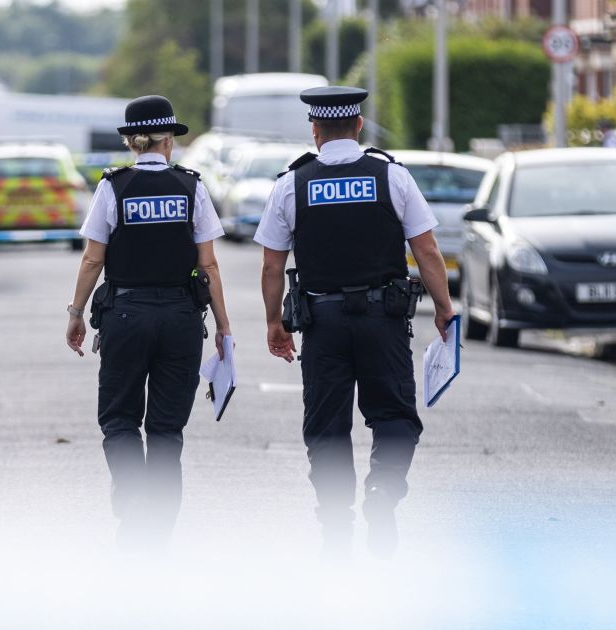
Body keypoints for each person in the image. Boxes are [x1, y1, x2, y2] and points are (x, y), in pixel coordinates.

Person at [254, 86, 454, 559]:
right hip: (383, 321)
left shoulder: (291, 184)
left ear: (316, 130)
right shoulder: (391, 176)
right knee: (394, 418)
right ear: (359, 125)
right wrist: (444, 308)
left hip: (321, 323)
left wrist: (273, 324)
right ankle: (383, 497)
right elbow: (425, 250)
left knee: (326, 426)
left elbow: (270, 266)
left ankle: (335, 522)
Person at [65, 95, 232, 551]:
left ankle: (132, 497)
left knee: (119, 419)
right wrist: (223, 328)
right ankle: (158, 525)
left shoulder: (112, 188)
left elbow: (92, 258)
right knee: (165, 429)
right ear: (167, 142)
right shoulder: (192, 187)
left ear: (131, 142)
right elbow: (210, 267)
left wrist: (76, 313)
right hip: (180, 319)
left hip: (124, 316)